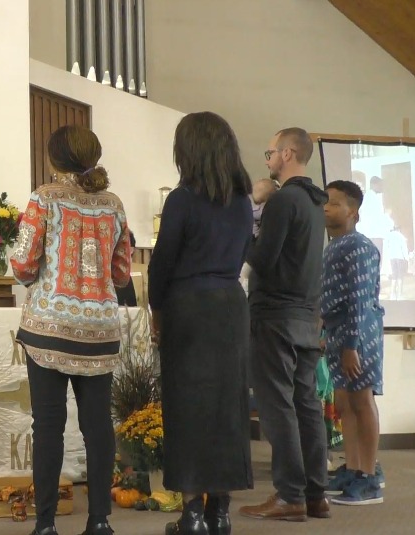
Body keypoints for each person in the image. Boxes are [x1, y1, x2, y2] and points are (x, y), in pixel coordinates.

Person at [12, 125, 131, 535]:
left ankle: (45, 524)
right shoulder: (114, 204)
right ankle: (99, 520)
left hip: (48, 327)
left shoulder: (43, 198)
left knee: (48, 426)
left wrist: (39, 281)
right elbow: (120, 273)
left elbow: (22, 262)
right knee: (98, 426)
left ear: (54, 158)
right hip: (99, 329)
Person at [148, 112, 254, 535]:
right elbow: (245, 250)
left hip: (188, 307)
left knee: (187, 408)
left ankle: (192, 513)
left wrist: (157, 308)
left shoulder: (182, 199)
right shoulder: (242, 199)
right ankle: (221, 511)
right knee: (228, 408)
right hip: (230, 306)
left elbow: (162, 264)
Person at [239, 127, 330, 522]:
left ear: (288, 153)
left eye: (270, 152)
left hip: (276, 316)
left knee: (278, 407)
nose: (267, 159)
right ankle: (315, 494)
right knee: (307, 406)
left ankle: (289, 495)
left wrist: (246, 217)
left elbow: (261, 259)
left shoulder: (283, 201)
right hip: (307, 318)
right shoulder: (314, 202)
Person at [320, 181, 386, 507]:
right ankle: (354, 466)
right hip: (337, 333)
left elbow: (359, 302)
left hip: (358, 336)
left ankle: (369, 476)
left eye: (333, 203)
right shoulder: (334, 245)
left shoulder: (359, 247)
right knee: (344, 404)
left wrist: (351, 345)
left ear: (353, 211)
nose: (325, 208)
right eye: (324, 202)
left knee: (361, 401)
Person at [384, 225, 409, 299]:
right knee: (400, 276)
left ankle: (392, 294)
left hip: (392, 257)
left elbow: (386, 247)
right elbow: (404, 248)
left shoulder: (389, 236)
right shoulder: (401, 236)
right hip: (400, 257)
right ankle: (400, 294)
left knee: (394, 276)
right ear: (398, 229)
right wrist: (407, 258)